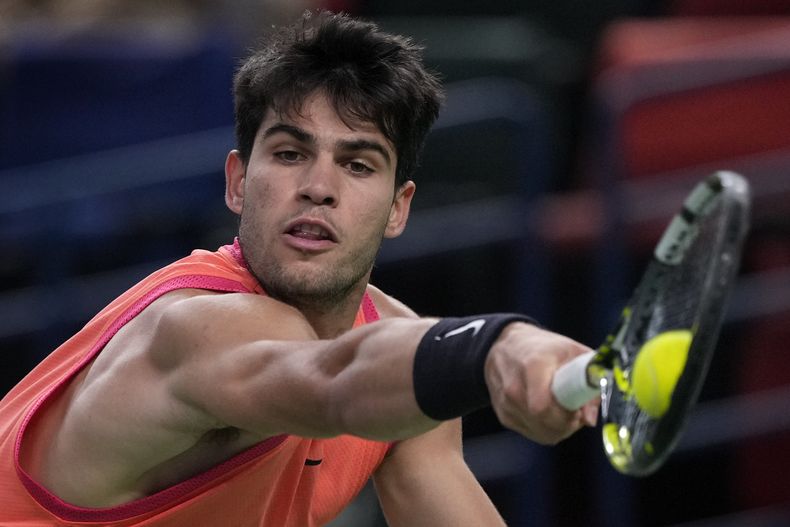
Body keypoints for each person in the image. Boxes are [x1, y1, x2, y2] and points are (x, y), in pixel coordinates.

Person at [0, 11, 598, 526]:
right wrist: (495, 347)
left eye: (358, 165)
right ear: (238, 182)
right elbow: (333, 379)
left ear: (399, 208)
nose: (318, 187)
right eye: (290, 154)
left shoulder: (394, 351)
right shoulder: (191, 330)